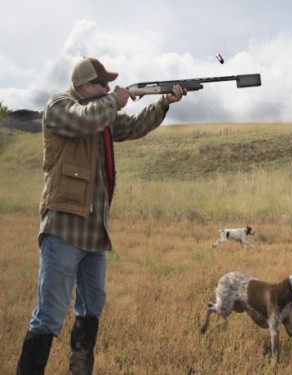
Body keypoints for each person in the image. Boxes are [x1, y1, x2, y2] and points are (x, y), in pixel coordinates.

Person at [16, 56, 186, 374]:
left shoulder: (101, 115)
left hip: (95, 233)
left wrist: (163, 102)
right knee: (50, 315)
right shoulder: (59, 108)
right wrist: (115, 99)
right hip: (64, 227)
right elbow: (86, 120)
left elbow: (134, 126)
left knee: (91, 310)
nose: (108, 88)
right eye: (102, 83)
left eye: (109, 85)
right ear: (84, 85)